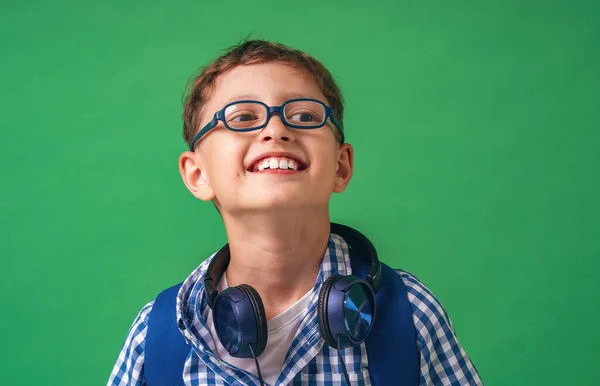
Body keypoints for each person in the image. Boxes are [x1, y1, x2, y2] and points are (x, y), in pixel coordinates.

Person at [108, 39, 482, 386]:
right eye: (241, 118)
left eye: (304, 117)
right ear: (197, 174)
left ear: (341, 166)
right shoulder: (157, 334)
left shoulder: (410, 314)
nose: (275, 129)